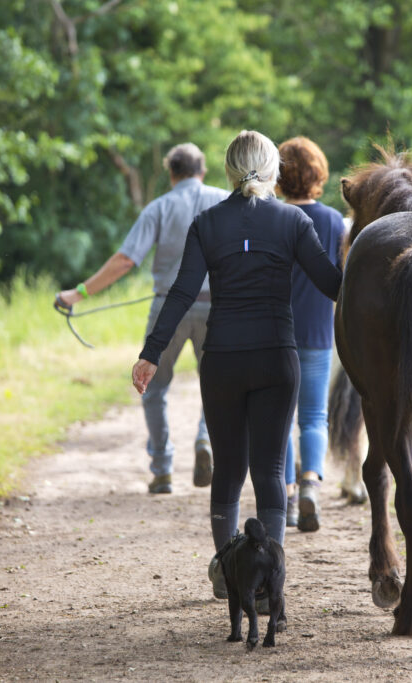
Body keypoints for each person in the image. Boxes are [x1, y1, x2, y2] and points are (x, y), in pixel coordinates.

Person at [130, 130, 341, 598]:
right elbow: (333, 284)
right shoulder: (292, 222)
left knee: (228, 470)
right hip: (275, 359)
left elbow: (182, 293)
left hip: (223, 360)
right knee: (270, 470)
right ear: (274, 172)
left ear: (228, 171)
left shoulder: (207, 222)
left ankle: (228, 572)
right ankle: (268, 584)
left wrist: (151, 353)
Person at [58, 143, 228, 495]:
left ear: (171, 173)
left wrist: (80, 293)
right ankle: (206, 441)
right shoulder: (225, 201)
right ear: (202, 171)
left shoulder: (159, 207)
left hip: (169, 309)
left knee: (153, 387)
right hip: (218, 308)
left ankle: (163, 469)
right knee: (218, 387)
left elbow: (125, 261)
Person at [276, 137, 346, 533]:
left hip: (277, 331)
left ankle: (284, 496)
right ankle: (310, 489)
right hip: (319, 331)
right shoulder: (334, 221)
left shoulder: (271, 217)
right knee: (315, 417)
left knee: (282, 419)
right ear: (318, 173)